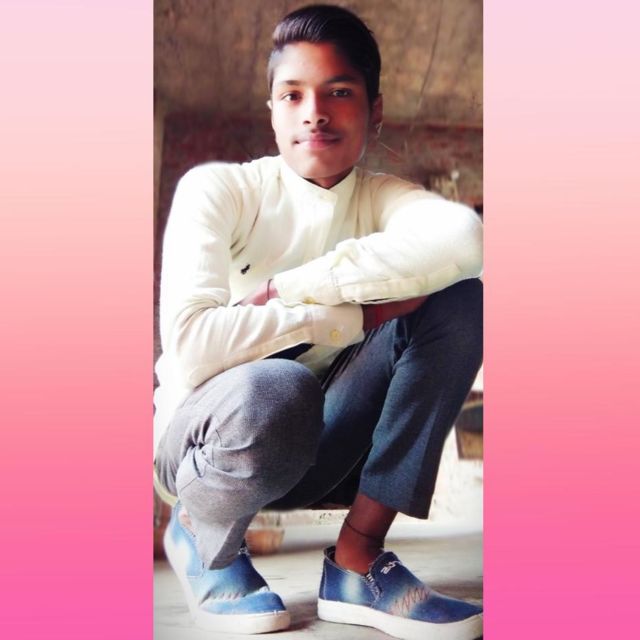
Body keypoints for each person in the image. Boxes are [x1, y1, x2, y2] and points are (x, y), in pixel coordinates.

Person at [154, 4, 483, 639]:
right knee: (278, 385)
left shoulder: (384, 200)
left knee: (461, 301)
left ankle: (358, 560)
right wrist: (356, 315)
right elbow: (192, 347)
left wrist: (289, 289)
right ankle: (203, 537)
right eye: (293, 94)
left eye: (339, 92)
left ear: (374, 110)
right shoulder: (219, 190)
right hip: (204, 449)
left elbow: (466, 240)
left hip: (324, 445)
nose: (315, 112)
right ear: (273, 111)